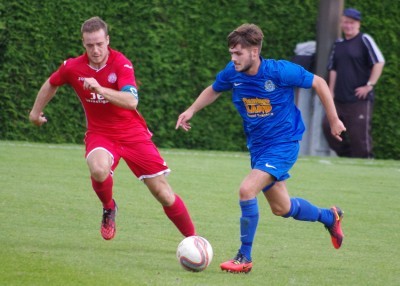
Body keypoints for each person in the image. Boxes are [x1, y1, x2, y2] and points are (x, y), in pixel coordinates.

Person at [176, 23, 346, 274]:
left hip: (283, 144)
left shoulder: (279, 71)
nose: (233, 58)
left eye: (238, 53)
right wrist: (191, 110)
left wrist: (333, 119)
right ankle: (330, 217)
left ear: (254, 52)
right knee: (282, 208)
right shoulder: (232, 73)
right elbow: (214, 89)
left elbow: (319, 83)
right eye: (231, 53)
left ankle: (244, 257)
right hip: (258, 148)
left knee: (247, 190)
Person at [29, 16, 196, 241]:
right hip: (100, 134)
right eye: (90, 45)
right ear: (83, 43)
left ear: (107, 40)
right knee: (98, 169)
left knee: (163, 194)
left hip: (133, 134)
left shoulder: (121, 63)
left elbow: (131, 101)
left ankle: (193, 240)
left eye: (99, 43)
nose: (95, 50)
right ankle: (109, 207)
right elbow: (52, 83)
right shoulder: (72, 67)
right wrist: (35, 112)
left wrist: (99, 88)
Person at [322, 8, 385, 158]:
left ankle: (365, 162)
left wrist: (369, 85)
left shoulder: (364, 39)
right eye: (345, 22)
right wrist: (330, 91)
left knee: (360, 139)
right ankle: (348, 157)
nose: (348, 25)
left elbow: (379, 62)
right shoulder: (338, 44)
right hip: (338, 100)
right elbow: (333, 69)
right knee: (327, 128)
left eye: (351, 22)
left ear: (358, 24)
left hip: (359, 100)